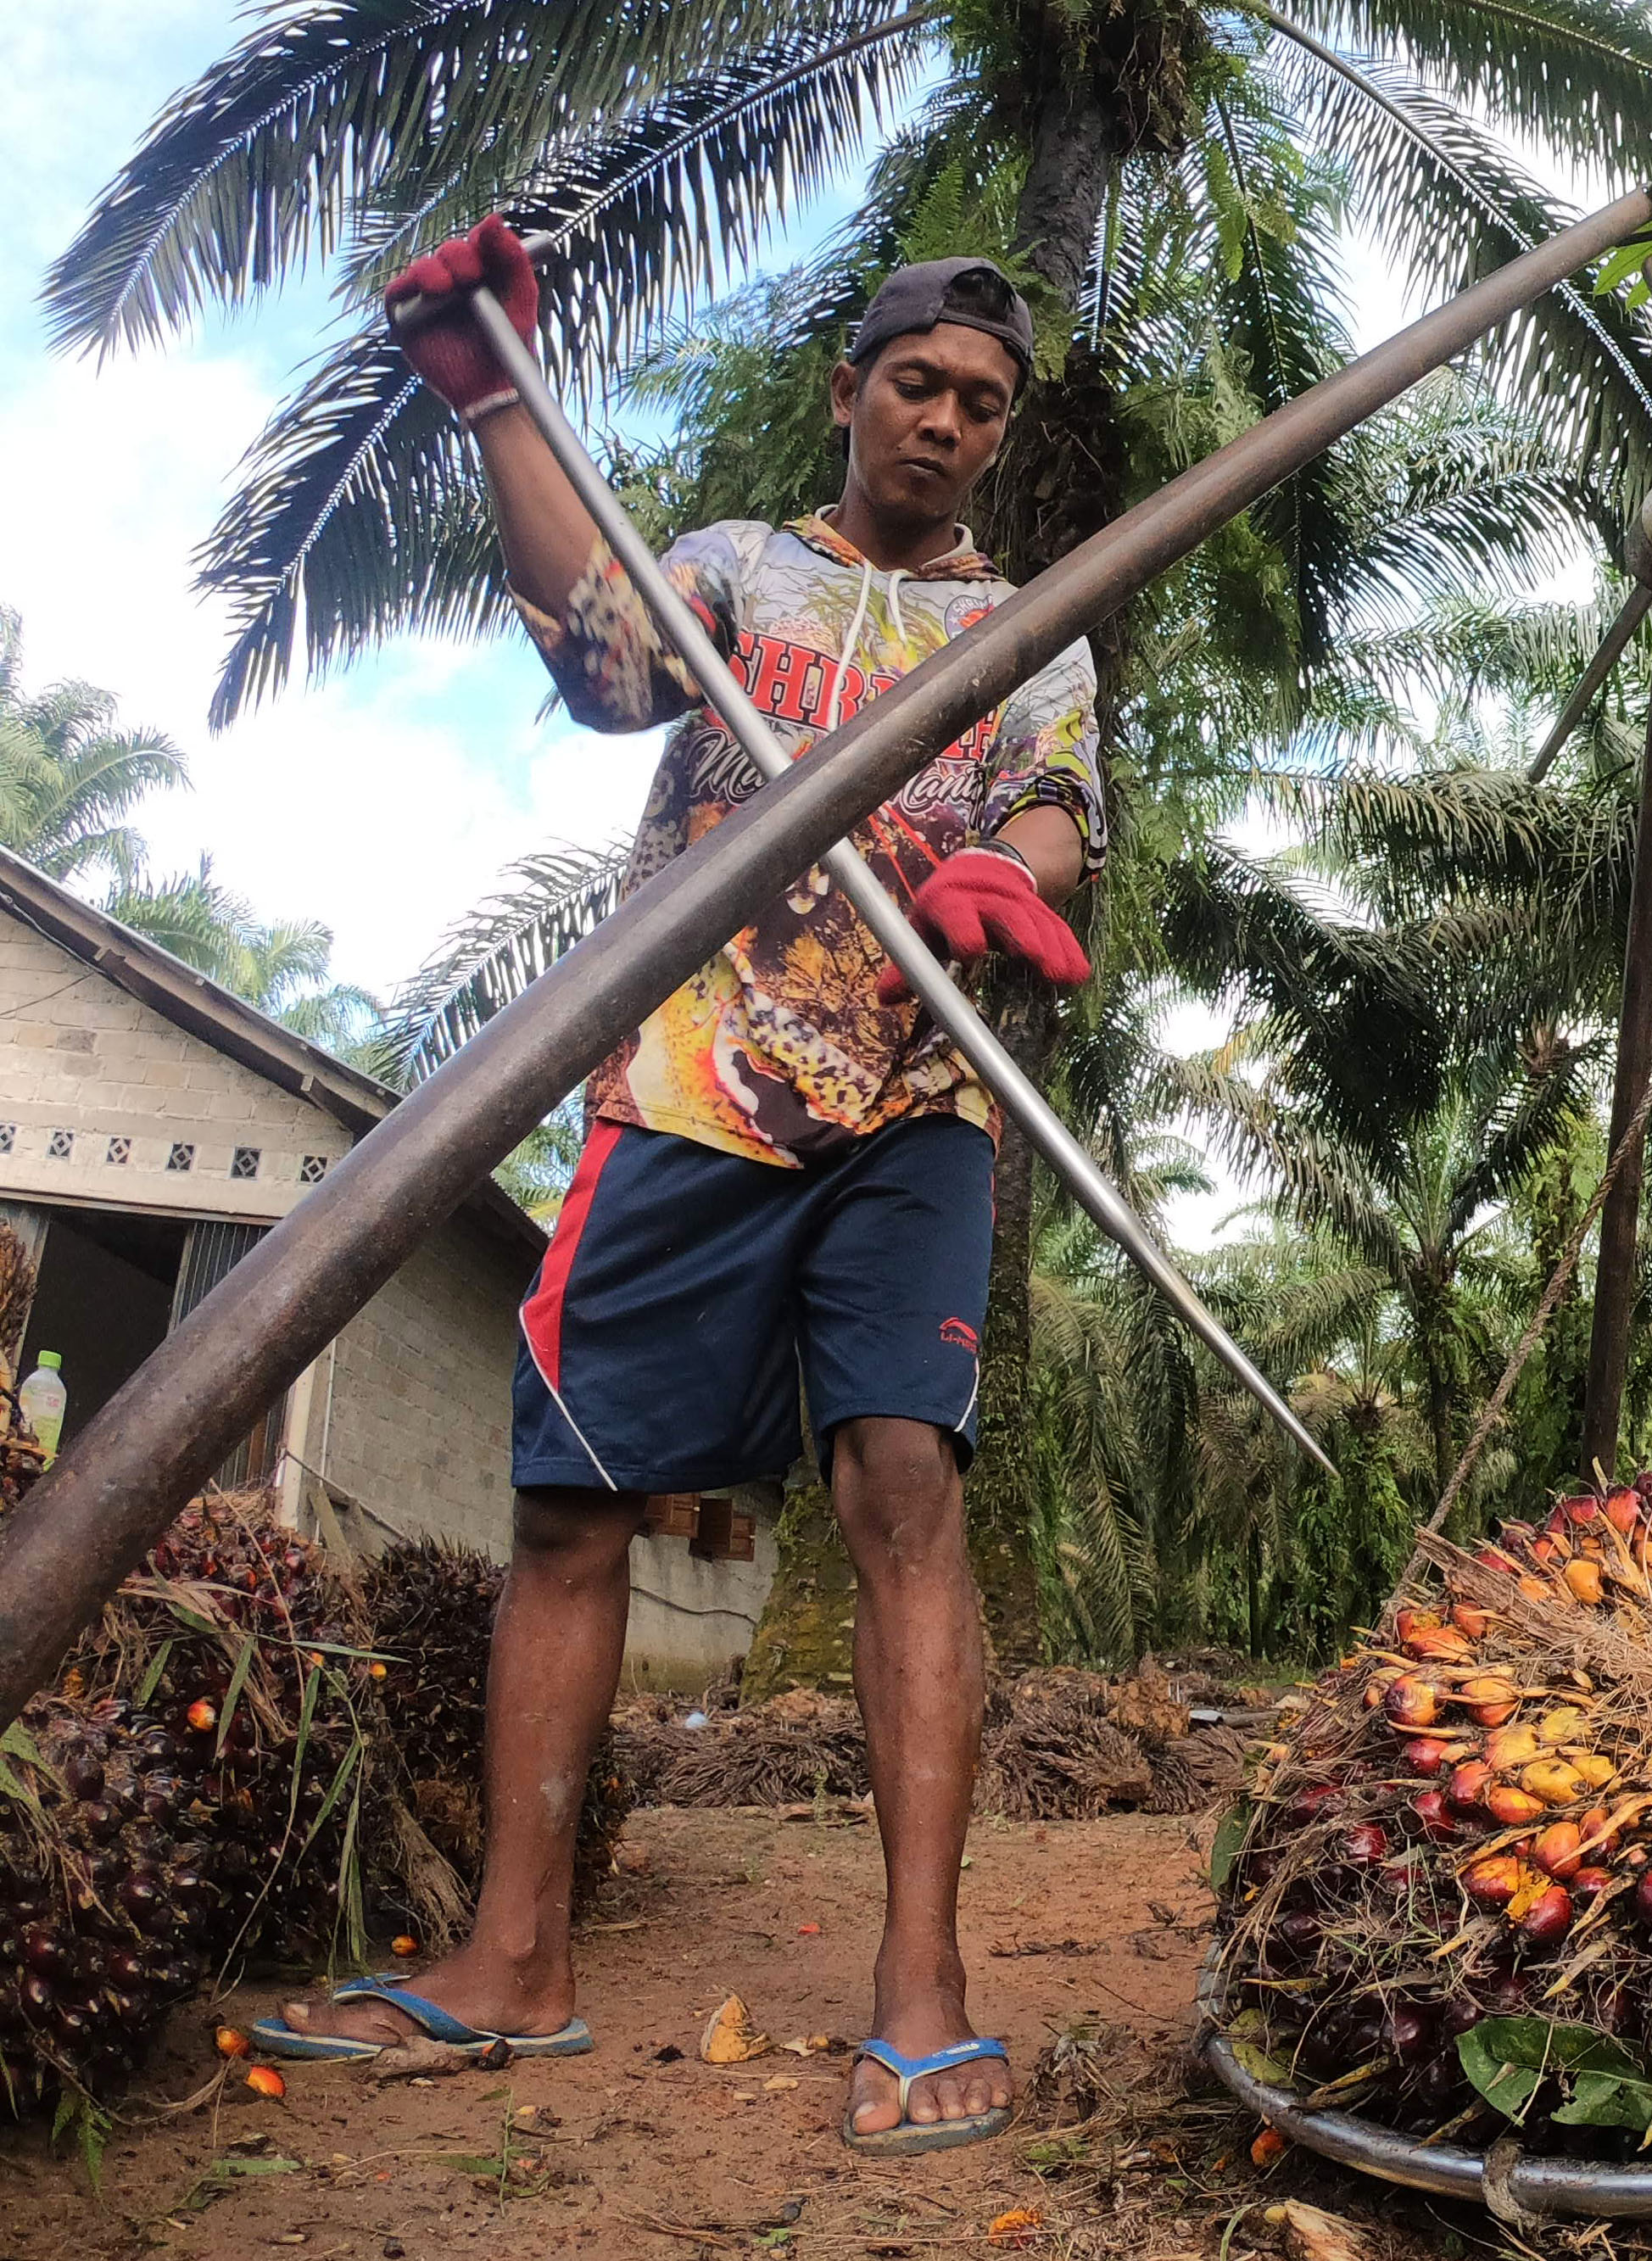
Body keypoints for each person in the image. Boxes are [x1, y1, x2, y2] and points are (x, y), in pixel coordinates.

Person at [251, 219, 1102, 2157]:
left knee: (903, 1485)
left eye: (983, 402)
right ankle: (513, 1955)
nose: (949, 421)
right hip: (683, 1085)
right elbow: (597, 661)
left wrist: (1016, 877)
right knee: (569, 1503)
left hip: (908, 1112)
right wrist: (495, 413)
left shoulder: (1033, 625)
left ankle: (919, 1988)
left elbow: (1059, 803)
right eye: (920, 384)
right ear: (852, 391)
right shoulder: (722, 566)